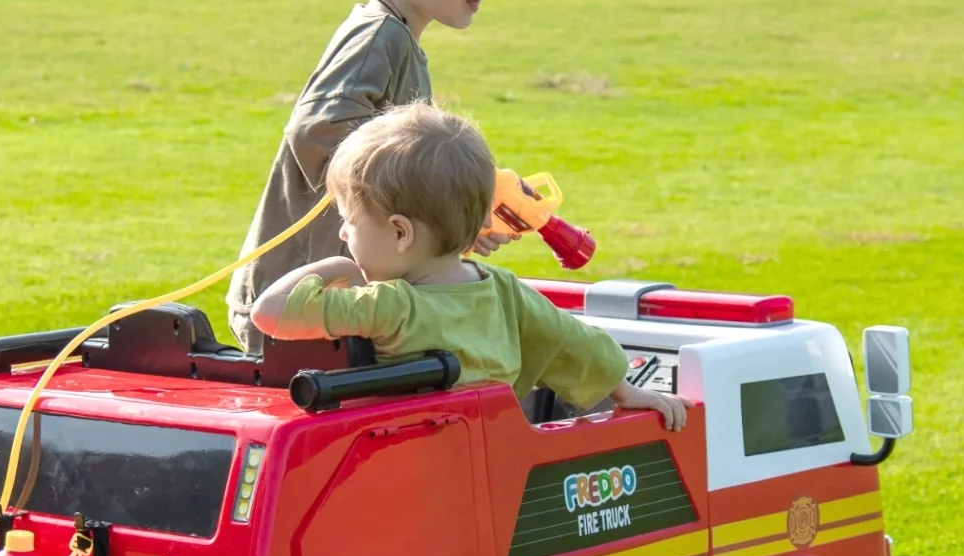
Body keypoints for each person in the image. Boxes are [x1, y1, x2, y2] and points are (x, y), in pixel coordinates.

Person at [225, 0, 513, 350]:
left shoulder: (400, 40)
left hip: (343, 306)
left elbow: (405, 169)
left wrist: (451, 213)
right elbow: (317, 130)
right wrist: (422, 189)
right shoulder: (378, 37)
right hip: (301, 300)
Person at [250, 104, 689, 430]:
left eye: (349, 221)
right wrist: (628, 392)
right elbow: (574, 342)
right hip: (491, 459)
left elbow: (269, 313)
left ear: (401, 233)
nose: (344, 233)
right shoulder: (504, 292)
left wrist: (333, 265)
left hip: (405, 466)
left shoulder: (391, 307)